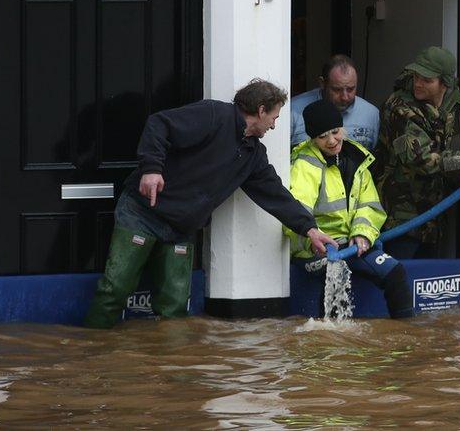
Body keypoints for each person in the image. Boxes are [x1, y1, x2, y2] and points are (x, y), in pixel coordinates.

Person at [83, 79, 338, 329]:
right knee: (114, 290)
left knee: (175, 307)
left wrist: (310, 229)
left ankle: (168, 368)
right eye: (274, 116)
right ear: (261, 110)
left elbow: (276, 195)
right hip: (143, 213)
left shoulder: (253, 155)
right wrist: (151, 168)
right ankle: (92, 354)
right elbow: (159, 123)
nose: (274, 124)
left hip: (180, 230)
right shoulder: (213, 114)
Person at [285, 99, 413, 318]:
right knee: (334, 275)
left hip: (352, 243)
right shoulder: (305, 164)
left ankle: (406, 338)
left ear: (342, 127)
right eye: (322, 136)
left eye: (335, 132)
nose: (332, 141)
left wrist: (362, 233)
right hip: (317, 248)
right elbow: (296, 213)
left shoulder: (357, 158)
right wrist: (314, 240)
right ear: (312, 138)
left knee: (396, 273)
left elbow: (370, 205)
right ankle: (330, 345)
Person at [375, 46, 460, 259]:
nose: (418, 83)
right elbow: (421, 158)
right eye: (416, 76)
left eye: (427, 80)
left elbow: (442, 153)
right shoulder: (400, 108)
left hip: (432, 216)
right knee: (400, 283)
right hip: (400, 217)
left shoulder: (452, 103)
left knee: (428, 282)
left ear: (444, 83)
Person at [290, 54, 380, 149]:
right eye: (337, 90)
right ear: (322, 83)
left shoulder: (371, 114)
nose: (345, 97)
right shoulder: (293, 110)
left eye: (350, 89)